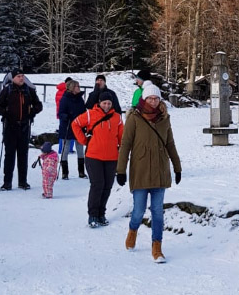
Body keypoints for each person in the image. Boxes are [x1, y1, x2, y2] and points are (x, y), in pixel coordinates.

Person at [116, 82, 181, 263]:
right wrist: (121, 170)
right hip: (140, 171)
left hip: (160, 171)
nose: (153, 101)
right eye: (150, 98)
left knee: (157, 211)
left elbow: (170, 144)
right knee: (139, 210)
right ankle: (133, 230)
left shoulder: (164, 118)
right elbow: (126, 145)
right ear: (144, 99)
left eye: (156, 98)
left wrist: (177, 167)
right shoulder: (134, 118)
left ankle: (157, 248)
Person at [72, 91, 124, 227]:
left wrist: (122, 151)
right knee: (97, 185)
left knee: (107, 186)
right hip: (93, 156)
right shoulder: (90, 114)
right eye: (104, 103)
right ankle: (93, 215)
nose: (107, 106)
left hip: (112, 157)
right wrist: (83, 140)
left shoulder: (117, 117)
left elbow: (121, 137)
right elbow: (75, 124)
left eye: (109, 103)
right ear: (99, 103)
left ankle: (101, 213)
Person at [0, 69, 42, 191]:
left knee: (23, 155)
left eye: (22, 76)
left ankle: (23, 181)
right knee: (9, 155)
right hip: (10, 127)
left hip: (24, 127)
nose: (21, 78)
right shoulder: (7, 90)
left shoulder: (29, 90)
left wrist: (32, 112)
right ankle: (7, 183)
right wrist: (6, 114)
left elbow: (39, 105)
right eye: (19, 76)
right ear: (13, 78)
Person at [58, 78, 87, 179]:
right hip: (67, 126)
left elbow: (83, 111)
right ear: (72, 88)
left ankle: (81, 171)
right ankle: (65, 172)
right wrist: (66, 116)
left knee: (80, 148)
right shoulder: (65, 98)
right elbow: (60, 113)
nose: (79, 88)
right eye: (77, 86)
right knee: (65, 149)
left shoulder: (80, 99)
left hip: (79, 126)